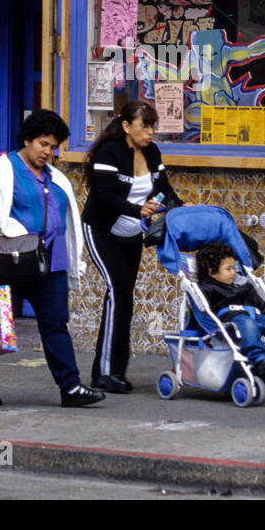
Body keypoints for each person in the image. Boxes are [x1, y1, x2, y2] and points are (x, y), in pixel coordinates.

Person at [0, 109, 104, 408]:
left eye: (53, 147)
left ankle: (70, 387)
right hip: (11, 260)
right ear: (27, 140)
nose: (48, 151)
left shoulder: (55, 177)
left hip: (52, 261)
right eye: (43, 144)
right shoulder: (2, 170)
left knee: (56, 324)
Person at [81, 100, 183, 393]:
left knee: (125, 299)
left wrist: (179, 205)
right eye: (144, 126)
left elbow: (163, 189)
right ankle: (102, 374)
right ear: (126, 126)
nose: (150, 132)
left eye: (153, 126)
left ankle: (117, 371)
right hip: (101, 229)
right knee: (118, 292)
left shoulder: (151, 151)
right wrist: (138, 209)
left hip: (130, 234)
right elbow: (104, 197)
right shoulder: (108, 152)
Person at [195, 242, 265, 380]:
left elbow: (259, 302)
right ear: (211, 272)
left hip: (253, 314)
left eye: (234, 267)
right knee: (247, 323)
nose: (233, 272)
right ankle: (260, 360)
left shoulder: (242, 284)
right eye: (228, 269)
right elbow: (209, 310)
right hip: (232, 318)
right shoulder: (208, 289)